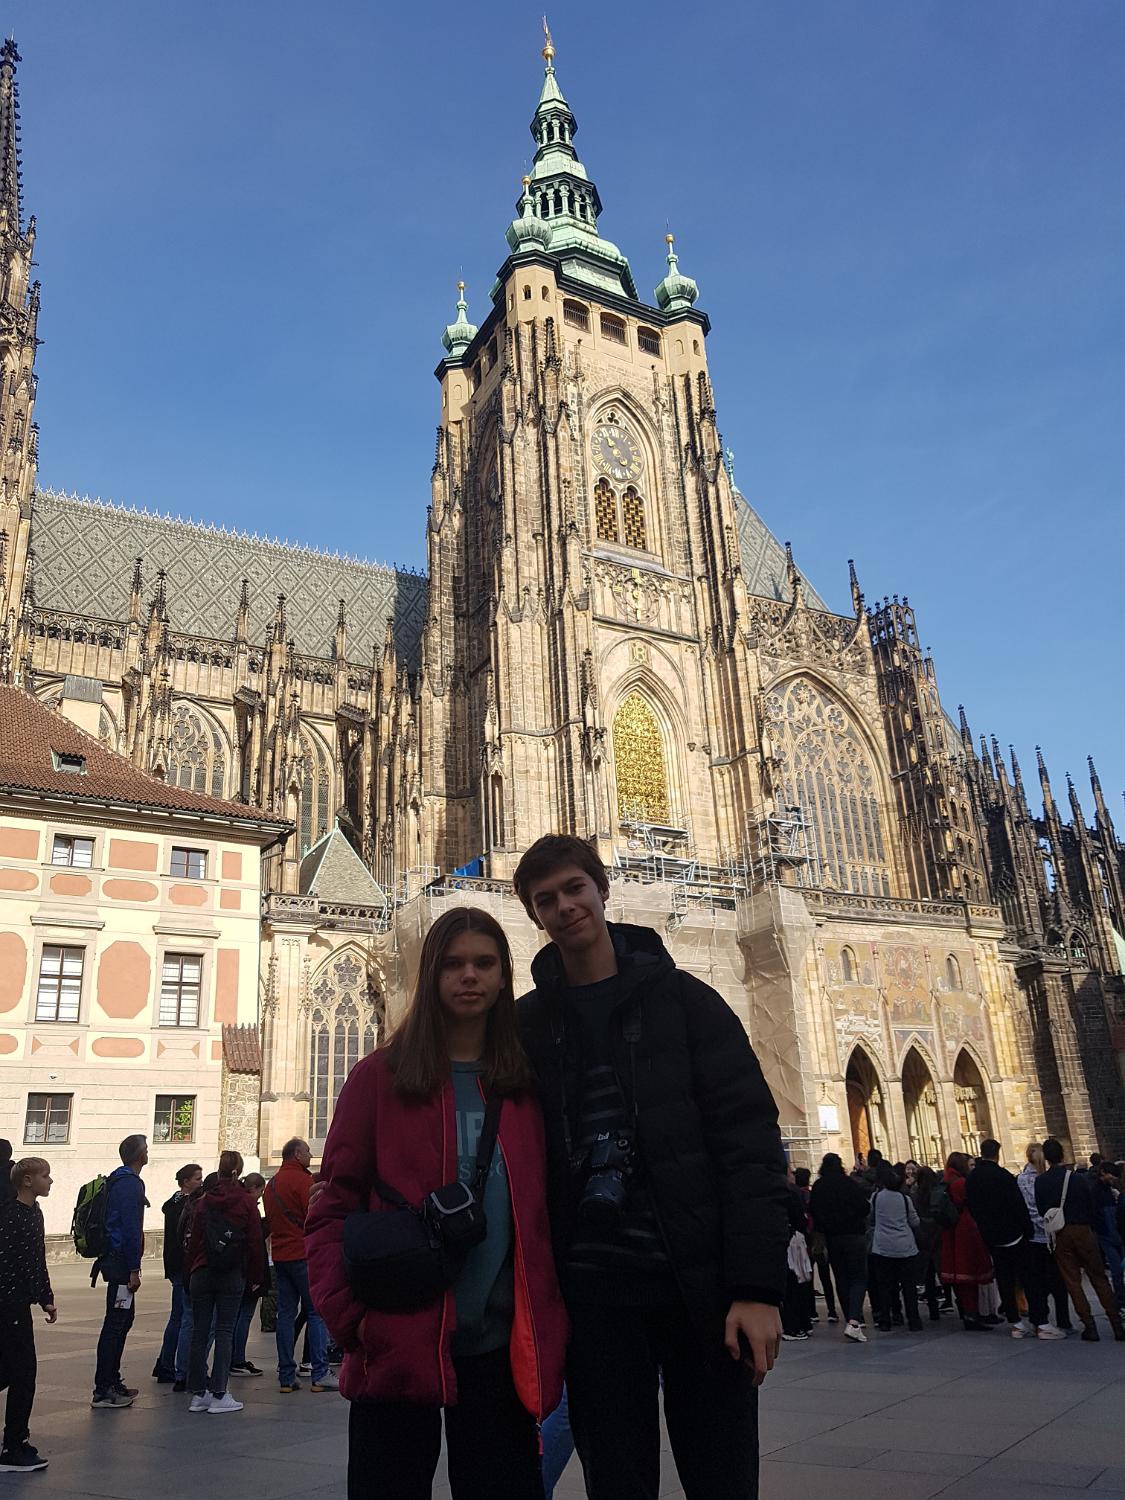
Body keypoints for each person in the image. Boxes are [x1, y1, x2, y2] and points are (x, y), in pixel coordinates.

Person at [513, 834, 789, 1500]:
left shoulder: (689, 1004)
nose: (564, 907)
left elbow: (750, 1147)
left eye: (574, 888)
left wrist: (756, 1289)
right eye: (546, 899)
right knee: (616, 1481)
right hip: (594, 1298)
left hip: (696, 1289)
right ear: (534, 915)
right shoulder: (526, 1026)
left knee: (722, 1478)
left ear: (602, 890)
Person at [307, 905, 568, 1500]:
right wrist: (353, 1321)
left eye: (484, 963)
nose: (469, 975)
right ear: (431, 976)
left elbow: (543, 1220)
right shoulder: (379, 1078)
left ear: (503, 976)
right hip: (398, 1344)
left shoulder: (524, 1087)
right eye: (453, 964)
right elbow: (332, 1208)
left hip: (500, 1355)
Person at [183, 1150, 266, 1413]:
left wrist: (189, 1272)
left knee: (199, 1332)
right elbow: (255, 1242)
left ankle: (199, 1393)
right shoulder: (246, 1202)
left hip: (202, 1270)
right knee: (225, 1331)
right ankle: (220, 1393)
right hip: (231, 1271)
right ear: (238, 1172)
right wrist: (256, 1276)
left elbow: (194, 1241)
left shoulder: (204, 1201)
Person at [964, 1139, 1061, 1340]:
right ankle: (1040, 1322)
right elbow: (1018, 1206)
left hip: (991, 1236)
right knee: (1029, 1278)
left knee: (1005, 1279)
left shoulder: (972, 1178)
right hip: (1014, 1235)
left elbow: (972, 1207)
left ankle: (1015, 1323)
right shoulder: (1003, 1176)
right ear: (998, 1153)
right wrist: (1027, 1230)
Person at [1034, 1138, 1125, 1342]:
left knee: (1072, 1281)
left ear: (1046, 1158)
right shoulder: (1076, 1178)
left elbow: (1042, 1210)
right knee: (1098, 1277)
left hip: (1060, 1233)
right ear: (1062, 1155)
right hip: (1083, 1229)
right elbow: (1090, 1204)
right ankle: (1117, 1325)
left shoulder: (1041, 1181)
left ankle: (1089, 1326)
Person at [264, 1138, 335, 1394]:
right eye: (306, 1151)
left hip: (281, 1255)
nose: (310, 1155)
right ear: (296, 1154)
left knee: (285, 1314)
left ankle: (286, 1376)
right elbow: (316, 1215)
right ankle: (320, 1373)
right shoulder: (304, 1182)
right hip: (303, 1253)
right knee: (316, 1312)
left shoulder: (271, 1184)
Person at [0, 1157, 57, 1471]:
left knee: (11, 1371)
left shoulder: (34, 1212)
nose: (50, 1181)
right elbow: (15, 1262)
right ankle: (14, 1446)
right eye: (45, 1176)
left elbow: (37, 1259)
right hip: (9, 1305)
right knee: (23, 1373)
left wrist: (46, 1297)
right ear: (26, 1180)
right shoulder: (13, 1215)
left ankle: (15, 1441)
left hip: (17, 1303)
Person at [91, 1133, 148, 1409]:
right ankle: (104, 1388)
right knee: (116, 1323)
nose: (148, 1153)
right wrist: (133, 1268)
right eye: (145, 1149)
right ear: (139, 1155)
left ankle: (111, 1380)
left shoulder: (118, 1179)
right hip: (120, 1262)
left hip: (115, 1259)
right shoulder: (129, 1184)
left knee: (122, 1320)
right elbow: (130, 1227)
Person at [810, 1152, 871, 1343]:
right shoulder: (848, 1183)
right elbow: (864, 1207)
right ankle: (854, 1320)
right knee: (858, 1278)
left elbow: (814, 1213)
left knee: (841, 1278)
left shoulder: (819, 1186)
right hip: (854, 1235)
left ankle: (850, 1319)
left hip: (833, 1238)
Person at [152, 1162, 202, 1383]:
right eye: (197, 1179)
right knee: (180, 1317)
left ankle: (165, 1361)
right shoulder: (186, 1205)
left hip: (174, 1264)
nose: (201, 1182)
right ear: (186, 1182)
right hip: (182, 1264)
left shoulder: (173, 1203)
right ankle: (168, 1365)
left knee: (178, 1316)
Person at [1017, 1143, 1071, 1331]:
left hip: (1031, 1236)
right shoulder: (1048, 1179)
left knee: (1035, 1280)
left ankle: (1039, 1319)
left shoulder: (1020, 1180)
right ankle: (1064, 1320)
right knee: (1058, 1280)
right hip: (1051, 1234)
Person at [939, 1151, 993, 1330]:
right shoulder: (961, 1183)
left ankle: (968, 1312)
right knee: (969, 1269)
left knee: (961, 1272)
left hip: (952, 1229)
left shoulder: (947, 1180)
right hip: (965, 1228)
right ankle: (972, 1313)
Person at [869, 1163, 922, 1332]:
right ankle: (913, 1319)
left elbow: (871, 1217)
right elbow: (914, 1221)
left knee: (885, 1286)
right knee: (908, 1286)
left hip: (882, 1247)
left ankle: (886, 1319)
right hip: (905, 1246)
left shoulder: (876, 1198)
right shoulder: (905, 1199)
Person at [229, 1173, 269, 1377]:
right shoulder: (250, 1207)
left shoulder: (234, 1204)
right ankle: (237, 1359)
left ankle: (232, 1358)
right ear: (258, 1189)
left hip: (236, 1267)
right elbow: (255, 1242)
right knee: (244, 1316)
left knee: (235, 1316)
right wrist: (257, 1276)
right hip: (250, 1269)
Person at [794, 1166, 837, 1324]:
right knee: (825, 1275)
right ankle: (832, 1310)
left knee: (808, 1276)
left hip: (805, 1239)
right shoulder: (812, 1195)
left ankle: (812, 1311)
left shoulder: (796, 1196)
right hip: (818, 1237)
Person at [781, 1169, 814, 1342]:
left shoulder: (780, 1191)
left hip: (786, 1240)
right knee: (798, 1283)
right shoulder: (792, 1192)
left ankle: (796, 1324)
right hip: (795, 1240)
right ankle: (801, 1323)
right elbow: (801, 1219)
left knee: (792, 1285)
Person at [1091, 1161, 1124, 1310]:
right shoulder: (1097, 1190)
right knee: (1117, 1270)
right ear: (1103, 1172)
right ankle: (1121, 1300)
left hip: (1111, 1232)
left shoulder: (1110, 1188)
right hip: (1108, 1234)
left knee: (1117, 1270)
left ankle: (1121, 1300)